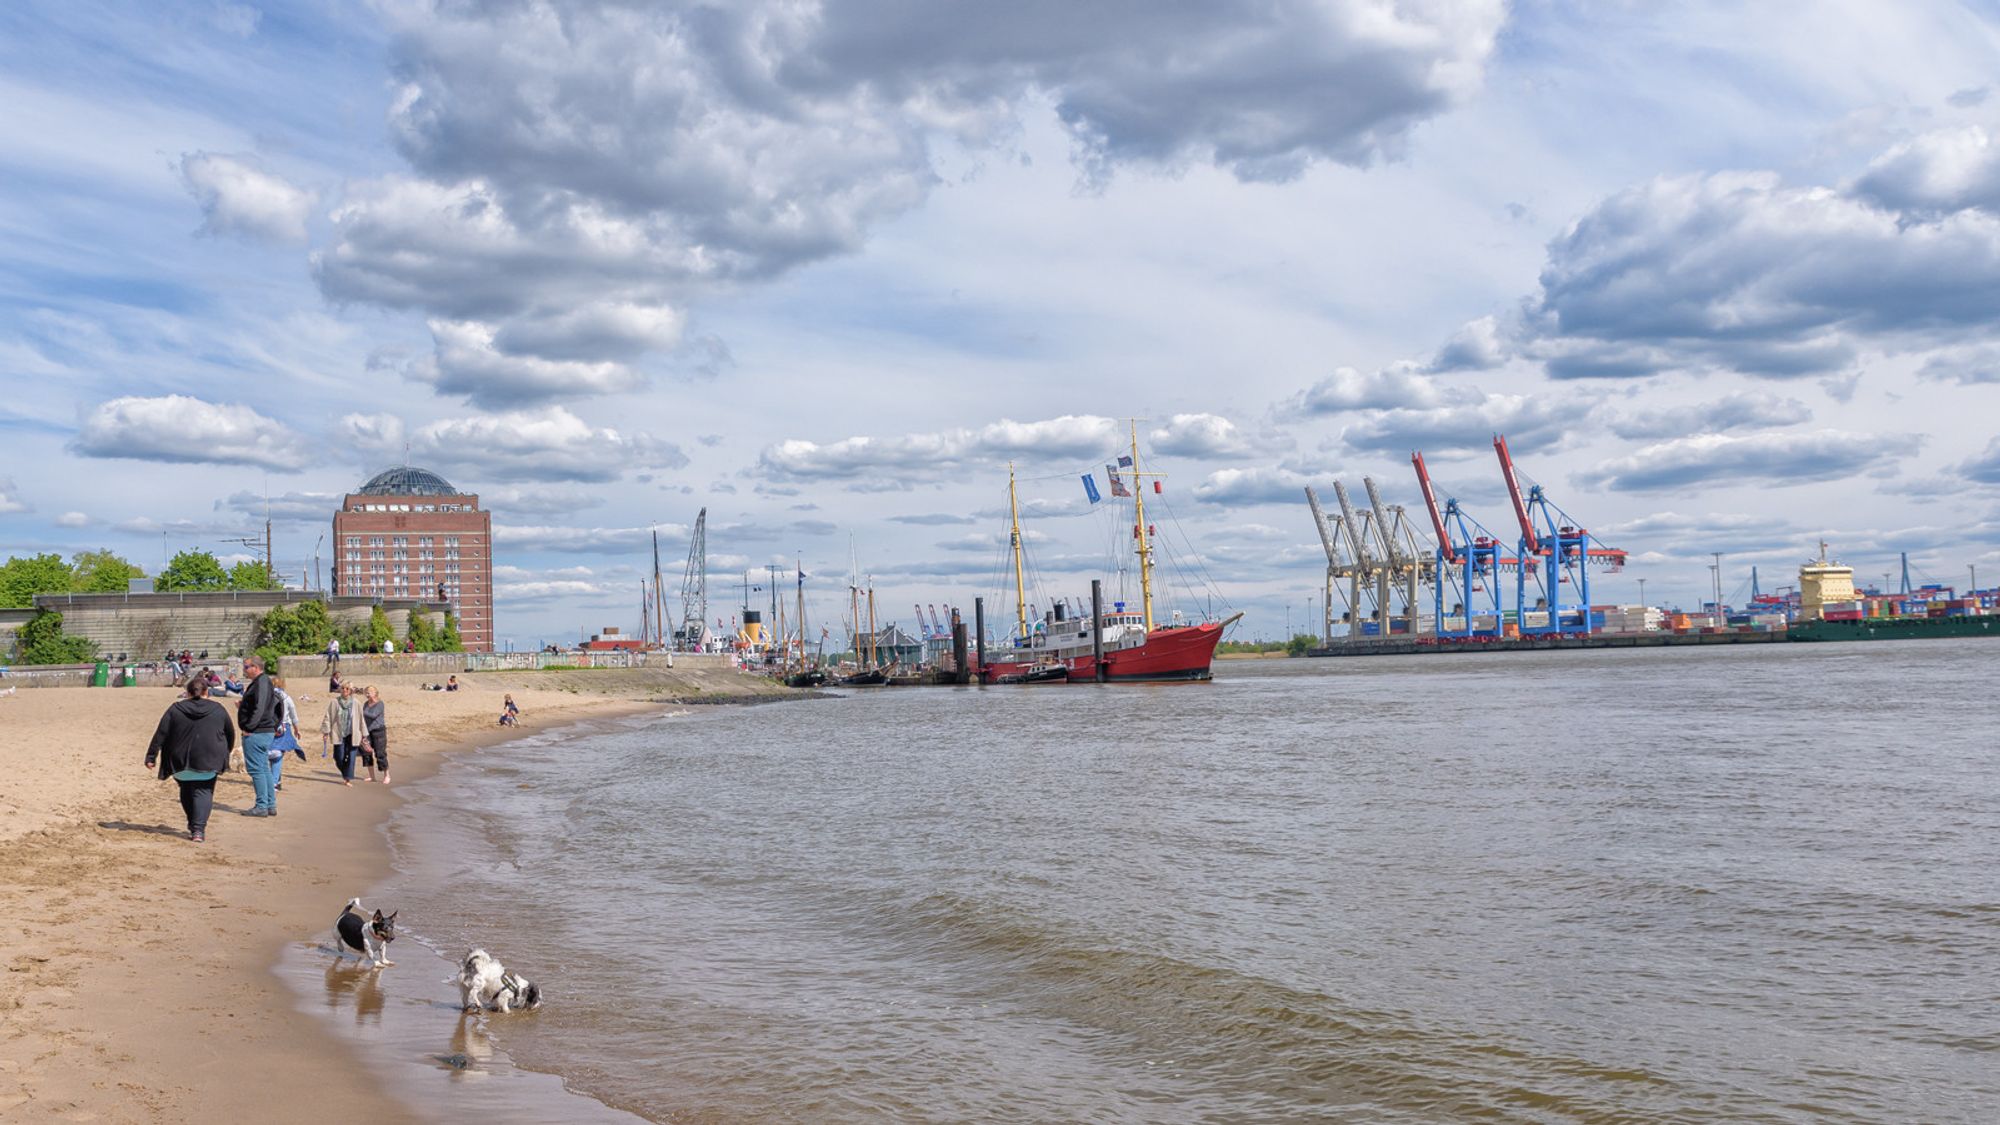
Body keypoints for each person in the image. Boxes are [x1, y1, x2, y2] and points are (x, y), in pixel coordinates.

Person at [145, 676, 236, 842]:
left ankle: (193, 824)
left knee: (186, 790)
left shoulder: (175, 709)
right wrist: (224, 753)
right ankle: (198, 829)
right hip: (209, 759)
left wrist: (151, 756)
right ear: (207, 692)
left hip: (180, 761)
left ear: (187, 693)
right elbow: (230, 733)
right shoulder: (218, 709)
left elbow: (161, 734)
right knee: (203, 791)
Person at [237, 654, 281, 816]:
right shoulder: (262, 682)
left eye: (247, 667)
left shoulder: (262, 682)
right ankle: (270, 804)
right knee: (263, 769)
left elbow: (260, 707)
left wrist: (249, 727)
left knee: (257, 770)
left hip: (258, 732)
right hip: (263, 730)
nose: (245, 670)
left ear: (256, 667)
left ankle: (262, 805)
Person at [321, 681, 365, 786]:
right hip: (339, 733)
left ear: (351, 691)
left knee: (351, 756)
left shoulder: (356, 703)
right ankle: (346, 773)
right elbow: (328, 717)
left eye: (347, 689)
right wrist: (326, 731)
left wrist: (364, 734)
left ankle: (347, 778)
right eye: (343, 688)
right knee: (338, 756)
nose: (344, 690)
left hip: (353, 733)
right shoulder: (334, 702)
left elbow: (361, 719)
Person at [269, 676, 306, 790]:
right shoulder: (287, 698)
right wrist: (296, 729)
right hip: (284, 727)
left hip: (269, 727)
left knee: (272, 754)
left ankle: (276, 780)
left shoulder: (267, 697)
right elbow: (293, 716)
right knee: (278, 755)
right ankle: (275, 781)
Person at [361, 685, 390, 785]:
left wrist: (361, 712)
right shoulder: (365, 704)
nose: (367, 694)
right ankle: (371, 776)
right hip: (367, 732)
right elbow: (363, 717)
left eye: (369, 692)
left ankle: (386, 775)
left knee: (380, 753)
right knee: (366, 753)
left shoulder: (380, 704)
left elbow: (373, 715)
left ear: (375, 693)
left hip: (379, 731)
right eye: (366, 692)